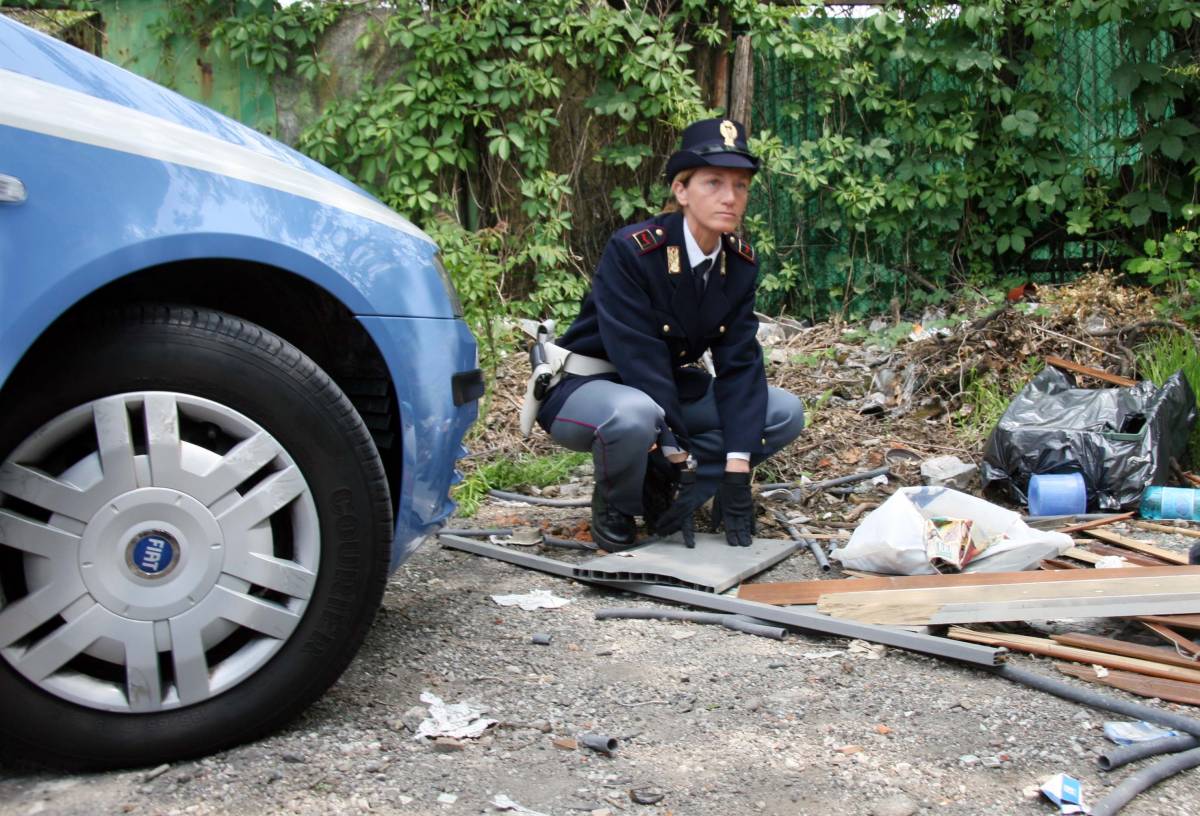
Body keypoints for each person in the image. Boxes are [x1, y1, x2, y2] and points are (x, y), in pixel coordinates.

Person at [534, 117, 805, 550]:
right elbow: (640, 360)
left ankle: (705, 491)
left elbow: (740, 365)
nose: (729, 197)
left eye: (740, 186)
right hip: (588, 386)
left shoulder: (738, 264)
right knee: (635, 415)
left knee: (782, 411)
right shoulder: (635, 250)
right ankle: (621, 499)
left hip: (662, 387)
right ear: (681, 191)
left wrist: (735, 470)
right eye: (713, 183)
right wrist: (676, 457)